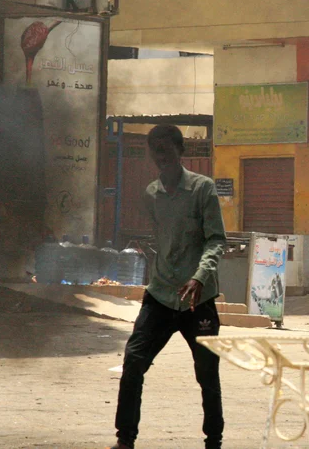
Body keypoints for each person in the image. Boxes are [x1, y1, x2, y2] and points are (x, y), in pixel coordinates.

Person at [109, 125, 226, 449]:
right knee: (134, 360)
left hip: (197, 300)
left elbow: (216, 240)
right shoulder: (151, 194)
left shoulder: (203, 190)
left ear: (179, 150)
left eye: (166, 149)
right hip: (160, 294)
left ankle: (213, 441)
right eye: (155, 150)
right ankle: (125, 440)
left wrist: (199, 275)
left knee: (207, 375)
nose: (161, 156)